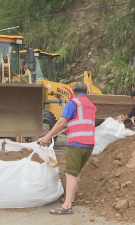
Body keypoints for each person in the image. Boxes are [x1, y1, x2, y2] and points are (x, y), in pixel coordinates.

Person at [40, 82, 96, 215]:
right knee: (76, 172)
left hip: (77, 143)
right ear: (86, 92)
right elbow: (80, 121)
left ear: (74, 92)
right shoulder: (91, 105)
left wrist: (47, 136)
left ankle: (67, 205)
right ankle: (71, 199)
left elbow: (61, 122)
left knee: (70, 173)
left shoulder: (73, 103)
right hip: (89, 144)